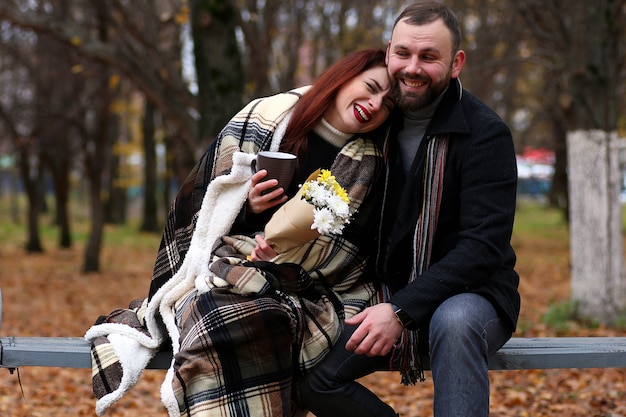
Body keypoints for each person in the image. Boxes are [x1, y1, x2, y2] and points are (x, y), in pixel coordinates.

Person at [85, 48, 394, 417]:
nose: (374, 104)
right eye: (371, 87)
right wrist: (249, 207)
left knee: (258, 319)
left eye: (387, 103)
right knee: (214, 311)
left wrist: (283, 259)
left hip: (310, 289)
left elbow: (354, 253)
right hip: (229, 264)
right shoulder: (265, 117)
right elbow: (203, 207)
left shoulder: (374, 164)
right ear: (344, 77)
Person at [299, 2, 521, 416]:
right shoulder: (377, 121)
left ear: (456, 63)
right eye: (403, 53)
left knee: (453, 324)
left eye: (428, 56)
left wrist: (402, 311)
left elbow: (483, 248)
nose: (412, 67)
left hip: (472, 293)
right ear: (388, 53)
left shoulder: (485, 134)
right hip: (379, 290)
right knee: (314, 380)